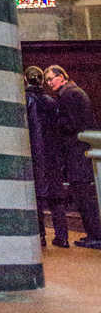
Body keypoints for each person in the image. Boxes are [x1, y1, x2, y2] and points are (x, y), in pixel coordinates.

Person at [44, 64, 101, 247]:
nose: (49, 82)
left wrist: (55, 124)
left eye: (51, 78)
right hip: (81, 150)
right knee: (83, 195)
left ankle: (96, 236)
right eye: (47, 80)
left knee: (83, 196)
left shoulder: (68, 94)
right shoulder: (73, 92)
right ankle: (93, 234)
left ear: (62, 76)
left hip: (77, 151)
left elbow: (71, 124)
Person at [25, 66, 69, 248]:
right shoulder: (51, 101)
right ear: (42, 81)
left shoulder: (25, 100)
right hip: (53, 154)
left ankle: (41, 235)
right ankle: (62, 237)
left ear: (26, 80)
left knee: (36, 197)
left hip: (34, 153)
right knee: (56, 197)